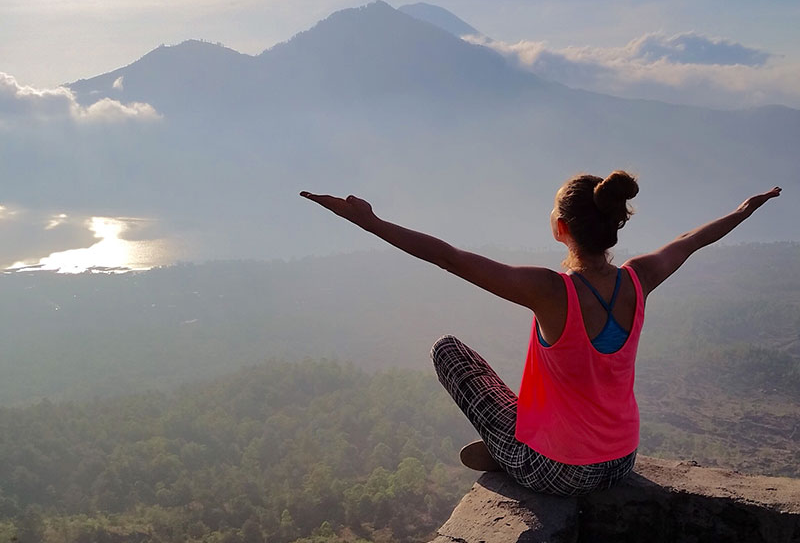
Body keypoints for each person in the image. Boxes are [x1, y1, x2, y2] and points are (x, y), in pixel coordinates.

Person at [300, 173, 781, 495]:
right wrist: (743, 211)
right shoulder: (639, 278)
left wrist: (369, 222)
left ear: (561, 228)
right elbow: (689, 242)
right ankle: (513, 445)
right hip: (622, 458)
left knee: (449, 352)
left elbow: (449, 257)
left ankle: (513, 457)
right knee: (524, 399)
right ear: (614, 225)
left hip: (562, 471)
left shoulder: (552, 292)